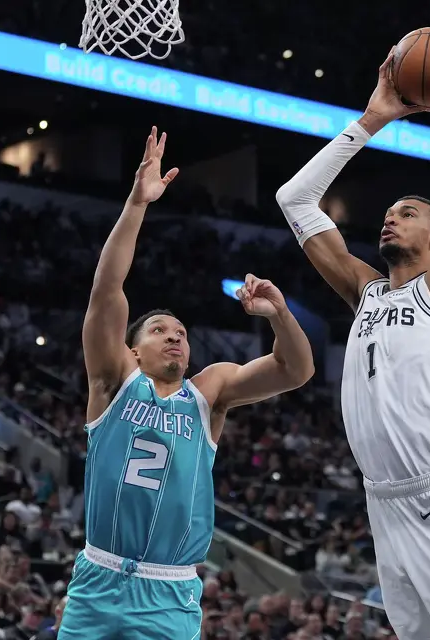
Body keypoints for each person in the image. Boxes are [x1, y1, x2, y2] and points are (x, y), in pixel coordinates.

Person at [276, 36, 430, 640]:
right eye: (390, 212)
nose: (390, 217)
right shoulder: (366, 292)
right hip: (384, 503)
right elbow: (293, 199)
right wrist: (372, 119)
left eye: (408, 213)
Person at [59, 128, 315, 640]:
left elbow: (296, 371)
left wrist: (281, 314)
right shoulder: (113, 382)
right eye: (160, 330)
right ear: (133, 350)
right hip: (98, 579)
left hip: (169, 593)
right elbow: (107, 289)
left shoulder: (210, 392)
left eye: (181, 332)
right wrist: (137, 203)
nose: (175, 337)